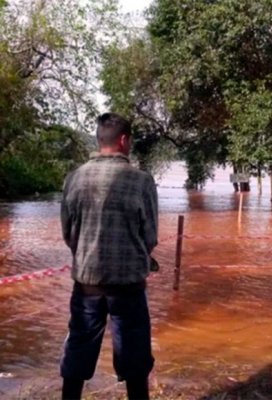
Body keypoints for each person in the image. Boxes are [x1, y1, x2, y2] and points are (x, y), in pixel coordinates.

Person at [60, 113, 158, 400]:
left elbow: (68, 234)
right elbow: (150, 236)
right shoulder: (141, 181)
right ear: (124, 140)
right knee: (135, 359)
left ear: (99, 139)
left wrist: (87, 255)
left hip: (87, 285)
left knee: (77, 350)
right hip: (128, 285)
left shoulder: (74, 178)